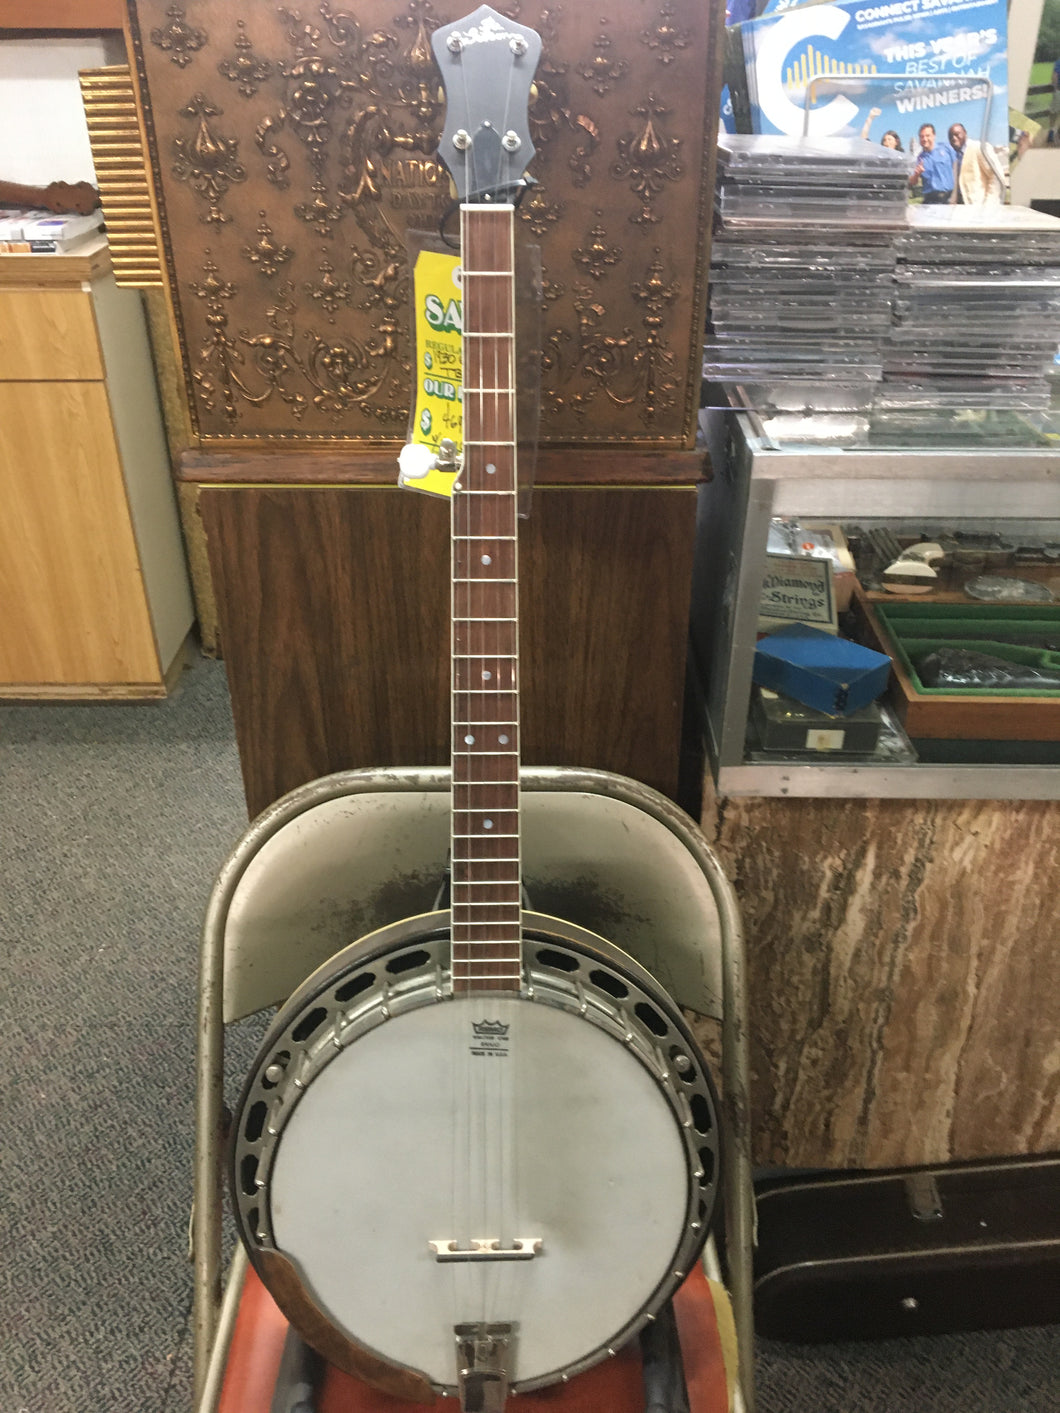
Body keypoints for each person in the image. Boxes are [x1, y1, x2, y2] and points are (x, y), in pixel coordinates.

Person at [947, 122, 1005, 206]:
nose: (953, 138)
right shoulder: (956, 158)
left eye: (957, 134)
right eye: (950, 137)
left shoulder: (979, 148)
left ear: (965, 133)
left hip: (979, 208)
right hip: (961, 210)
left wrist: (987, 206)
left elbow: (997, 176)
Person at [910, 122, 956, 204]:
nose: (924, 139)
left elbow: (957, 166)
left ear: (934, 136)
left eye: (928, 135)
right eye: (922, 136)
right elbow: (912, 182)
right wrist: (917, 174)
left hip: (948, 198)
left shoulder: (946, 148)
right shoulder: (919, 158)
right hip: (930, 199)